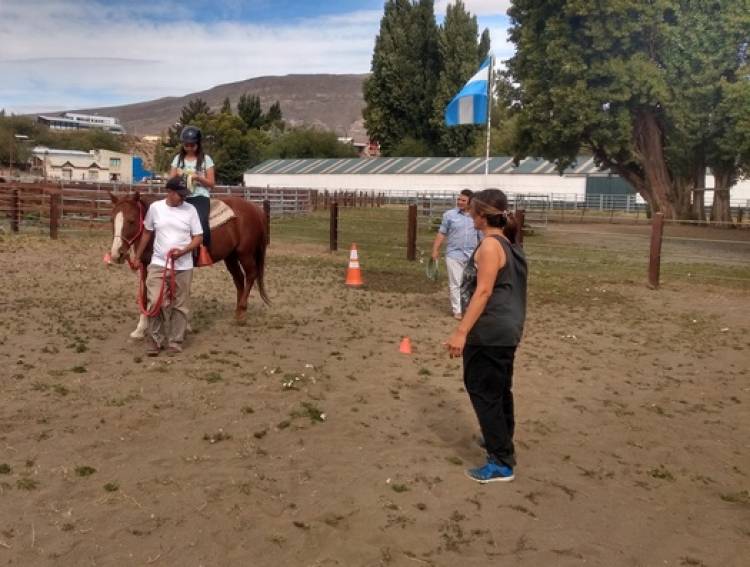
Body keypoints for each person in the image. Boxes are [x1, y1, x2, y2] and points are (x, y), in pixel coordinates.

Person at [444, 188, 528, 483]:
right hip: (507, 329)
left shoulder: (491, 246)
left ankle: (501, 462)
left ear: (481, 215)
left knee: (483, 391)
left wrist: (461, 331)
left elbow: (483, 291)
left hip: (490, 331)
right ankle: (500, 439)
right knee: (499, 389)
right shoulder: (509, 242)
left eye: (471, 211)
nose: (468, 215)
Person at [134, 176, 204, 356]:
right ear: (170, 192)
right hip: (158, 263)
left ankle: (175, 341)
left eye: (183, 194)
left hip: (183, 265)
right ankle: (156, 340)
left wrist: (183, 251)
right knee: (154, 301)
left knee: (180, 304)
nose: (182, 198)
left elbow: (198, 237)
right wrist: (138, 256)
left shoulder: (191, 210)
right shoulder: (156, 209)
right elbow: (147, 233)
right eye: (179, 194)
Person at [431, 189, 480, 320]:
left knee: (471, 283)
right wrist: (435, 249)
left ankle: (470, 307)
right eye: (458, 199)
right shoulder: (449, 215)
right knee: (456, 283)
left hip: (472, 255)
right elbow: (442, 233)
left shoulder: (477, 216)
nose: (460, 202)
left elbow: (481, 236)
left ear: (471, 202)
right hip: (454, 254)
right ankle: (457, 310)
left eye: (463, 200)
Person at [170, 125, 215, 255]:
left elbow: (212, 183)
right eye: (186, 145)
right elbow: (171, 180)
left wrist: (199, 178)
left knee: (202, 220)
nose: (189, 147)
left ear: (198, 144)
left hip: (200, 195)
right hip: (181, 196)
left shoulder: (206, 159)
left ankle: (203, 251)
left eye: (192, 145)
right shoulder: (178, 159)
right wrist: (178, 175)